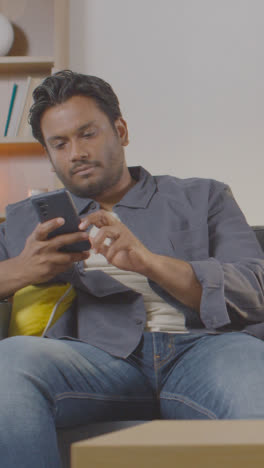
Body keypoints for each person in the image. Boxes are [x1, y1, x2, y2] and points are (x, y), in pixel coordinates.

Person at [0, 70, 264, 467]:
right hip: (95, 361)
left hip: (206, 349)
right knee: (10, 362)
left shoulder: (203, 196)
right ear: (50, 155)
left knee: (254, 376)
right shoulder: (25, 220)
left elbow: (254, 288)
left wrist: (150, 263)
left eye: (87, 134)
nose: (76, 153)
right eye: (60, 143)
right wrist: (21, 269)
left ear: (120, 130)